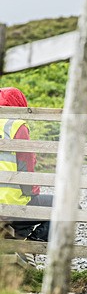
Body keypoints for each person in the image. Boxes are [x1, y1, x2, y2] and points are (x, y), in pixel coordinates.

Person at [0, 87, 51, 242]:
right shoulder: (15, 126)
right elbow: (26, 165)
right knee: (69, 205)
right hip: (10, 208)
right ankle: (29, 246)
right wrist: (33, 191)